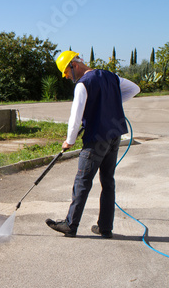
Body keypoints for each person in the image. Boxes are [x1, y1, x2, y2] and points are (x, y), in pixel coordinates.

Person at [45, 51, 140, 238]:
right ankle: (105, 227)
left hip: (96, 139)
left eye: (66, 72)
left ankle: (70, 225)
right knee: (108, 181)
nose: (66, 76)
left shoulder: (83, 84)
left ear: (74, 65)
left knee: (82, 181)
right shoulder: (111, 76)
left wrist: (69, 141)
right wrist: (108, 103)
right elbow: (134, 89)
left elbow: (75, 118)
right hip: (114, 136)